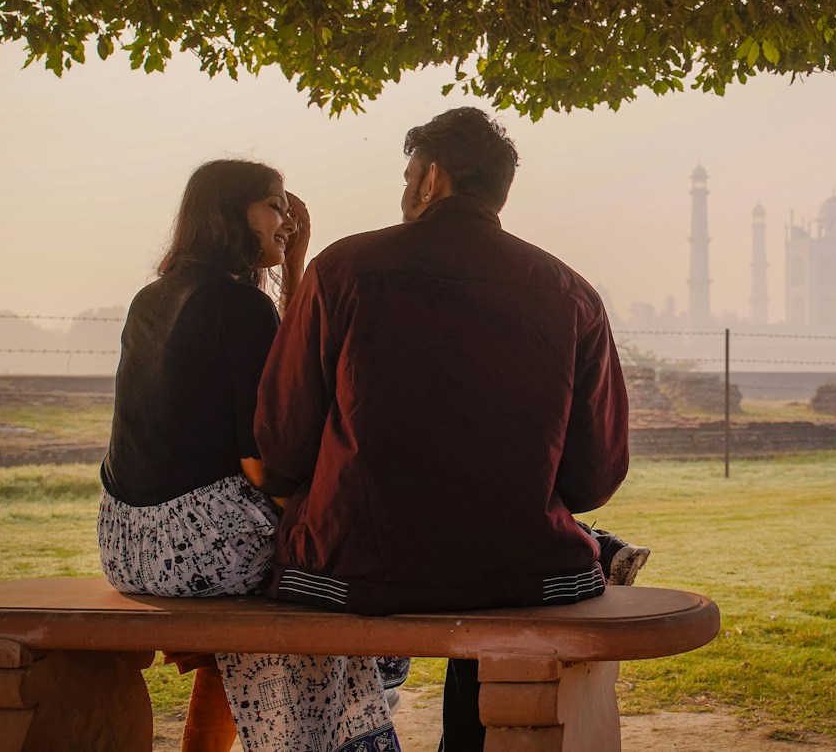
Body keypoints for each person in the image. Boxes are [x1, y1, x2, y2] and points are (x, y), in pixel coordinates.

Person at [254, 107, 631, 752]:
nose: (404, 190)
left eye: (408, 175)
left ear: (432, 180)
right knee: (506, 587)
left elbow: (282, 444)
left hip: (353, 569)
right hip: (528, 569)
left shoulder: (344, 269)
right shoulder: (569, 292)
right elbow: (595, 475)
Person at [97, 159, 404, 752]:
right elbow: (267, 460)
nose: (287, 219)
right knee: (353, 567)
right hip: (200, 548)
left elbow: (277, 375)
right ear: (229, 212)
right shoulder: (238, 307)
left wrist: (292, 263)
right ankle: (367, 710)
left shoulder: (152, 298)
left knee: (312, 565)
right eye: (274, 206)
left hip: (127, 543)